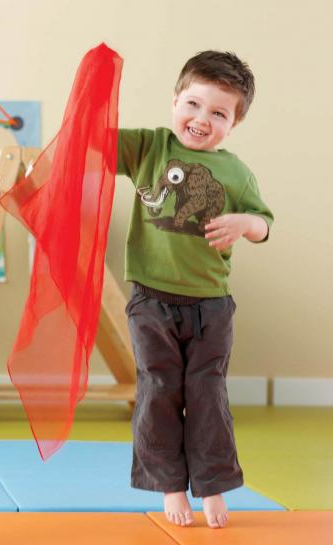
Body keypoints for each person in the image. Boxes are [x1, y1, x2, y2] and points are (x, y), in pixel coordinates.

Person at [118, 50, 273, 529]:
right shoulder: (150, 148)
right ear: (174, 101)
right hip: (151, 298)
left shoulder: (236, 172)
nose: (201, 120)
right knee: (159, 387)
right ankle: (169, 485)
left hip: (211, 304)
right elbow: (93, 143)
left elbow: (264, 223)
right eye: (193, 104)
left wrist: (246, 222)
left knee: (207, 392)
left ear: (234, 124)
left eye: (218, 113)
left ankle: (212, 486)